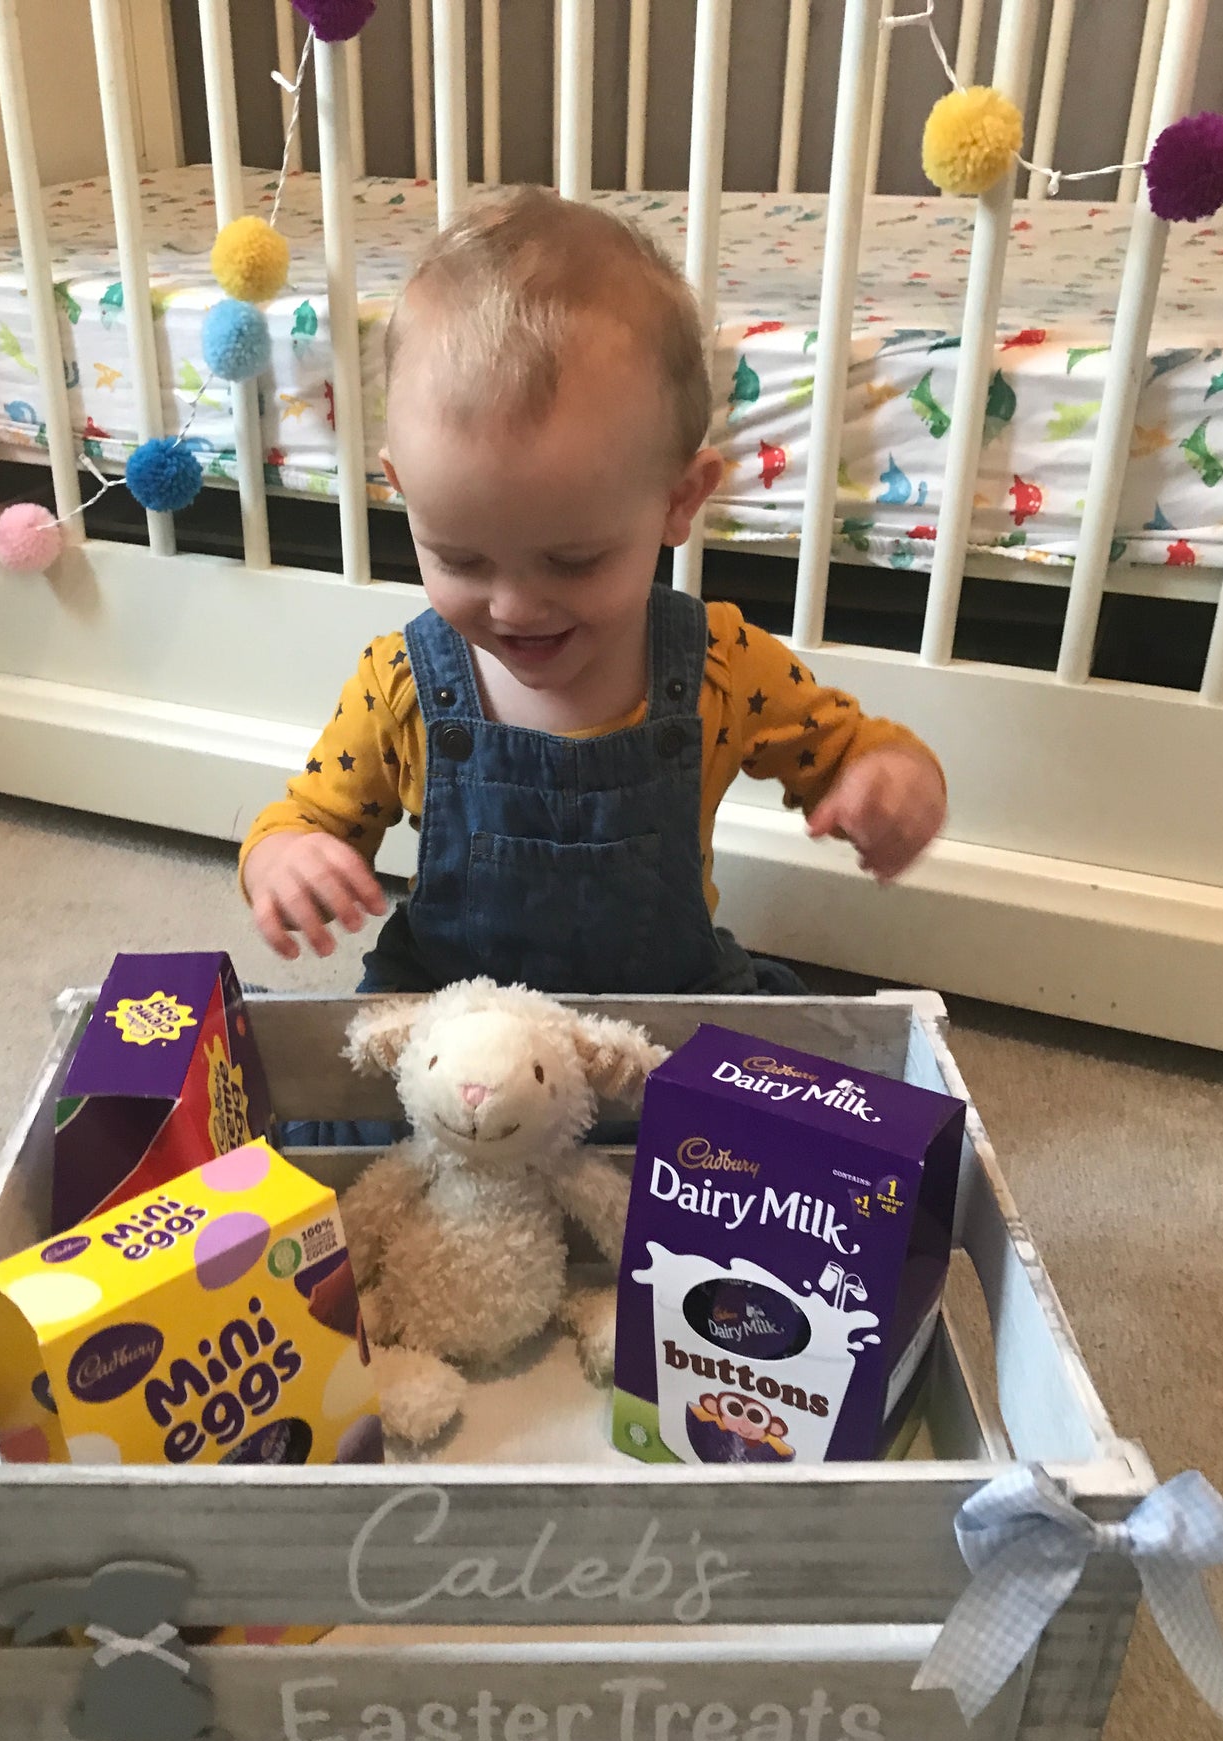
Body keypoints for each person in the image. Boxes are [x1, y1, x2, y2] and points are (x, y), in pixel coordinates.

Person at [240, 188, 945, 1095]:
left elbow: (849, 749)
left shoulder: (723, 666)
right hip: (455, 1034)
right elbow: (305, 817)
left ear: (678, 502)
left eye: (572, 560)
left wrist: (892, 779)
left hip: (655, 1014)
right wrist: (283, 858)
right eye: (458, 556)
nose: (515, 605)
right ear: (403, 491)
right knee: (342, 1113)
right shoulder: (402, 684)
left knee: (777, 1125)